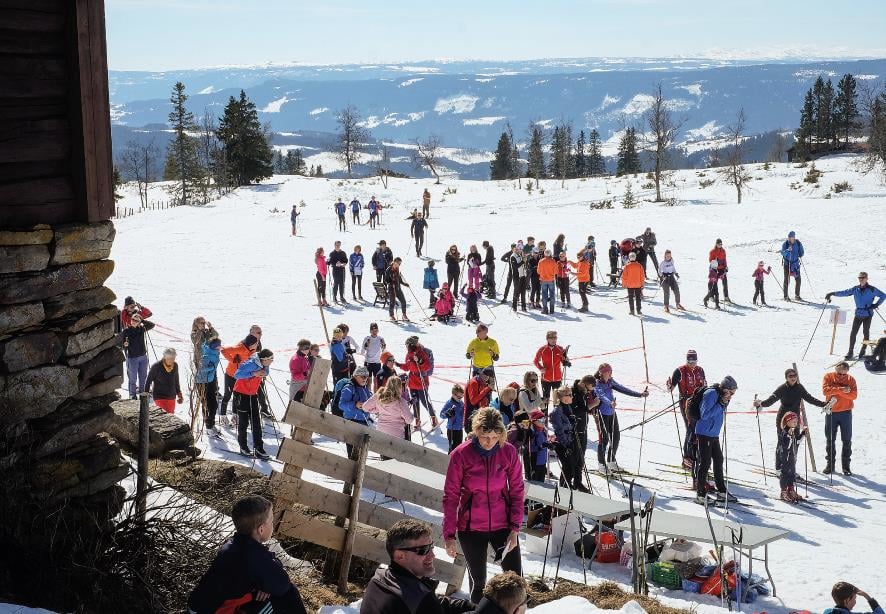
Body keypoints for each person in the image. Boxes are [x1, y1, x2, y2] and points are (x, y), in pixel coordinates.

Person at [443, 408, 524, 604]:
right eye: (484, 436)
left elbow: (517, 491)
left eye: (494, 437)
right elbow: (451, 495)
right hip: (471, 527)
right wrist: (449, 535)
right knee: (478, 582)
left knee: (515, 580)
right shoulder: (461, 454)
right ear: (476, 432)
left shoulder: (508, 452)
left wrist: (514, 529)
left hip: (503, 525)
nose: (489, 442)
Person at [187, 495, 307, 614]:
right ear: (261, 530)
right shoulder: (255, 556)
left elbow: (270, 569)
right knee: (287, 595)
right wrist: (267, 585)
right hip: (213, 611)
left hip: (198, 608)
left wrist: (265, 584)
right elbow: (282, 584)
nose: (273, 524)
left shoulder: (233, 544)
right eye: (271, 521)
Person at [360, 519, 474, 614]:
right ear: (400, 556)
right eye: (423, 550)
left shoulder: (380, 578)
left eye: (431, 547)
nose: (432, 555)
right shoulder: (421, 600)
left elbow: (432, 602)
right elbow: (426, 603)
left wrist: (468, 606)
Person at [754, 367, 828, 468]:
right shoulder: (782, 388)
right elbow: (771, 400)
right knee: (782, 443)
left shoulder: (799, 387)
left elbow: (810, 398)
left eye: (795, 375)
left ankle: (790, 467)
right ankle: (779, 467)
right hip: (783, 419)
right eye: (790, 376)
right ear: (786, 378)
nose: (793, 378)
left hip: (795, 419)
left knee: (794, 443)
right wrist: (760, 403)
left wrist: (823, 404)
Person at [593, 363, 648, 473]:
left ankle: (611, 461)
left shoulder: (610, 382)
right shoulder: (597, 384)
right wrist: (610, 402)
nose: (609, 374)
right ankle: (601, 464)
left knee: (616, 437)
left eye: (610, 372)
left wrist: (640, 394)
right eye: (606, 372)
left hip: (612, 413)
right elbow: (601, 396)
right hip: (602, 413)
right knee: (604, 439)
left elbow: (623, 389)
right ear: (601, 373)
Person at [694, 376, 738, 504]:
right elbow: (704, 414)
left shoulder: (722, 396)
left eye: (733, 393)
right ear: (725, 389)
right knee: (705, 463)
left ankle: (722, 491)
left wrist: (724, 402)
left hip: (713, 433)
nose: (732, 395)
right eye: (731, 392)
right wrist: (720, 403)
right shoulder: (711, 394)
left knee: (719, 459)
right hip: (704, 433)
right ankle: (700, 493)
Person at [826, 272, 886, 359]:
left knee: (866, 333)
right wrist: (832, 293)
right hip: (858, 314)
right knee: (853, 333)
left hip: (868, 314)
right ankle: (850, 351)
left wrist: (876, 304)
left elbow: (883, 296)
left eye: (863, 277)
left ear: (866, 278)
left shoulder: (872, 289)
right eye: (860, 278)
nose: (861, 279)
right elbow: (844, 292)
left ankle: (863, 349)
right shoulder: (855, 289)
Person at [667, 350, 707, 470]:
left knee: (698, 430)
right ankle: (687, 458)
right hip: (686, 403)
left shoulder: (700, 370)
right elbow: (671, 388)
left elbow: (704, 386)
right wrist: (669, 386)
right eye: (689, 361)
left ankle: (696, 456)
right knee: (690, 429)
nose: (692, 364)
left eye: (694, 361)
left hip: (698, 403)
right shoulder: (680, 371)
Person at [234, 349, 274, 460]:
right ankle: (243, 446)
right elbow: (237, 375)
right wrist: (253, 373)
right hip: (241, 394)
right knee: (244, 422)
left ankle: (259, 448)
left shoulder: (264, 364)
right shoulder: (250, 364)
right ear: (264, 359)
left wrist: (263, 373)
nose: (272, 362)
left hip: (252, 394)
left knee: (256, 422)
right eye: (271, 360)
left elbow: (266, 372)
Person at [822, 361, 859, 475]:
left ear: (847, 371)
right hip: (831, 412)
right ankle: (830, 465)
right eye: (839, 373)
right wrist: (842, 390)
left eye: (844, 374)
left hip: (846, 413)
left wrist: (836, 390)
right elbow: (825, 391)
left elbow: (854, 395)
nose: (841, 375)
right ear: (836, 368)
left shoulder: (851, 379)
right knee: (830, 439)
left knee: (847, 440)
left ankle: (846, 466)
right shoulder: (828, 376)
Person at [550, 387, 587, 491]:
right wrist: (566, 444)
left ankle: (567, 486)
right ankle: (564, 487)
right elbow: (559, 430)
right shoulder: (557, 411)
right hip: (563, 443)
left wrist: (573, 423)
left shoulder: (567, 407)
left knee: (572, 467)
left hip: (570, 440)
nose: (572, 397)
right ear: (563, 397)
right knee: (568, 468)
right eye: (570, 395)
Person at [220, 334, 259, 427]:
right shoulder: (240, 348)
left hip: (240, 376)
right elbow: (223, 350)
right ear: (250, 344)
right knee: (227, 396)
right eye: (256, 343)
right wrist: (232, 359)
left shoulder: (252, 350)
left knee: (236, 396)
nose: (257, 345)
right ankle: (223, 416)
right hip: (230, 375)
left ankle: (235, 416)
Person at [398, 336, 437, 428]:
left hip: (421, 381)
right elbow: (408, 367)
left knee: (424, 401)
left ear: (411, 345)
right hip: (412, 382)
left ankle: (433, 417)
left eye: (407, 345)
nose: (406, 346)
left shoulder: (421, 353)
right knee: (415, 401)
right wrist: (398, 365)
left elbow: (427, 366)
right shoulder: (409, 354)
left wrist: (419, 361)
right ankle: (417, 420)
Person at [364, 375, 413, 442]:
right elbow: (409, 420)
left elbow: (365, 407)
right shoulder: (401, 402)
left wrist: (378, 409)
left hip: (381, 432)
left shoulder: (379, 396)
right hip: (396, 435)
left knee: (383, 451)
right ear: (399, 387)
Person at [119, 312, 155, 399]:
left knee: (143, 377)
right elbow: (121, 344)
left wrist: (142, 320)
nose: (134, 321)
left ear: (139, 322)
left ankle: (142, 394)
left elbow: (152, 325)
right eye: (132, 319)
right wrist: (125, 345)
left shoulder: (142, 329)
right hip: (132, 358)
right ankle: (132, 395)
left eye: (136, 320)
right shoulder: (126, 331)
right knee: (133, 378)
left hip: (143, 357)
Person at [570, 375, 599, 480]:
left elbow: (586, 408)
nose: (589, 392)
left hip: (583, 429)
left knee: (581, 459)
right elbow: (575, 412)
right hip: (575, 430)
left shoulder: (584, 392)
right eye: (589, 389)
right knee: (573, 458)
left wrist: (593, 407)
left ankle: (578, 481)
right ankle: (567, 482)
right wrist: (590, 406)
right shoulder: (573, 393)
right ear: (583, 384)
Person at [533, 331, 571, 404]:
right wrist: (540, 368)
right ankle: (544, 414)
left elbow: (563, 359)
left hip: (557, 378)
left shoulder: (560, 349)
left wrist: (566, 362)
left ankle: (556, 414)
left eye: (555, 337)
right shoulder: (542, 349)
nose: (554, 340)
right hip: (546, 379)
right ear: (547, 339)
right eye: (551, 338)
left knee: (557, 400)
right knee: (545, 399)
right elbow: (536, 361)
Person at [776, 411, 807, 503]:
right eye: (793, 421)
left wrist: (802, 434)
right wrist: (789, 436)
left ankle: (791, 490)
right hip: (785, 458)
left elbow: (796, 442)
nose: (795, 423)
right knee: (785, 474)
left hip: (792, 457)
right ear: (788, 421)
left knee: (792, 473)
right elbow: (785, 446)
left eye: (796, 421)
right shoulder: (784, 432)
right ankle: (783, 492)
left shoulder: (792, 431)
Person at [145, 348, 183, 414]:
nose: (172, 360)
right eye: (170, 358)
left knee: (171, 416)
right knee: (163, 415)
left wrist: (179, 394)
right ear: (165, 357)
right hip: (159, 396)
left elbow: (176, 380)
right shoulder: (156, 366)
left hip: (171, 396)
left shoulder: (175, 366)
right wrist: (145, 396)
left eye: (173, 358)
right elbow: (148, 381)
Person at [198, 336, 222, 434]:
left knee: (214, 405)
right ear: (214, 346)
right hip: (203, 382)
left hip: (211, 380)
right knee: (209, 405)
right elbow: (200, 369)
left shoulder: (214, 352)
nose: (220, 347)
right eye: (218, 346)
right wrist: (210, 368)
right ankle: (208, 427)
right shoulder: (207, 356)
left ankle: (211, 424)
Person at [464, 368, 495, 435]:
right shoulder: (474, 383)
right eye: (484, 375)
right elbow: (473, 401)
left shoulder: (483, 383)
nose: (485, 378)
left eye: (487, 377)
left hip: (480, 417)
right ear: (480, 373)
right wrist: (487, 389)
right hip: (471, 418)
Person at [525, 409, 550, 481]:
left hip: (542, 461)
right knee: (535, 483)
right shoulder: (532, 432)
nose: (543, 422)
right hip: (535, 462)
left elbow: (545, 441)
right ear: (534, 421)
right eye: (541, 420)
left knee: (541, 481)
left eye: (544, 419)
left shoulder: (542, 430)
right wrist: (541, 446)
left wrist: (549, 444)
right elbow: (529, 448)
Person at [441, 384, 466, 452]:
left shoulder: (461, 403)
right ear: (453, 394)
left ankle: (457, 461)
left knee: (459, 447)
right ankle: (449, 460)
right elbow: (441, 415)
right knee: (452, 448)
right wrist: (447, 413)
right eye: (458, 397)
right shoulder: (449, 403)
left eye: (461, 397)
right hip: (452, 429)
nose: (460, 399)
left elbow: (463, 413)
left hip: (459, 428)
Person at [361, 323, 386, 391]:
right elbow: (362, 352)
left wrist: (383, 346)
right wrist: (366, 345)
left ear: (378, 331)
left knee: (376, 382)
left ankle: (375, 397)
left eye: (376, 330)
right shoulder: (367, 338)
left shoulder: (380, 339)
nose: (374, 332)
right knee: (368, 381)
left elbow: (384, 351)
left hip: (377, 363)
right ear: (370, 331)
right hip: (368, 362)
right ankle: (368, 396)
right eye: (373, 330)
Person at [385, 257, 411, 322]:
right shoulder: (388, 269)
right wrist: (391, 283)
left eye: (399, 264)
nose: (398, 265)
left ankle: (404, 315)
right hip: (391, 289)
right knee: (392, 303)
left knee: (403, 301)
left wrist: (405, 284)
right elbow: (386, 280)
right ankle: (391, 316)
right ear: (394, 262)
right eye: (398, 263)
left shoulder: (397, 269)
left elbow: (399, 279)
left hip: (398, 288)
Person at [780, 230, 804, 301]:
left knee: (798, 280)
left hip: (795, 264)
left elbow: (802, 253)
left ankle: (797, 295)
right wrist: (787, 250)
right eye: (789, 237)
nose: (790, 238)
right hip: (787, 264)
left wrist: (800, 253)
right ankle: (786, 296)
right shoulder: (785, 244)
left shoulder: (798, 243)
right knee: (787, 280)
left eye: (791, 237)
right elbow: (783, 253)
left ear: (794, 237)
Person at [621, 251, 645, 315]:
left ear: (629, 258)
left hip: (630, 285)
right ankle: (639, 310)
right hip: (638, 285)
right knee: (638, 298)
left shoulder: (627, 266)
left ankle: (632, 310)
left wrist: (624, 284)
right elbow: (642, 276)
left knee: (631, 298)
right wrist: (642, 284)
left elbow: (624, 277)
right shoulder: (639, 266)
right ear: (635, 258)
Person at [709, 238, 730, 302]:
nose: (720, 245)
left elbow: (724, 259)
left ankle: (726, 297)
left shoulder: (723, 251)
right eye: (719, 244)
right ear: (716, 244)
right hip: (714, 269)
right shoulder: (712, 251)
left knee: (725, 282)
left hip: (722, 269)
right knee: (714, 283)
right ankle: (711, 296)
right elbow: (710, 260)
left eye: (721, 244)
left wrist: (726, 267)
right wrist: (716, 262)